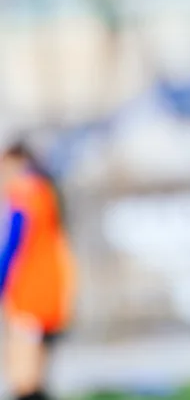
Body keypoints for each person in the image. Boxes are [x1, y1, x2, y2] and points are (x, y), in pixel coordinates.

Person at [0, 140, 76, 400]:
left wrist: (1, 282)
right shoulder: (46, 190)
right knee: (36, 372)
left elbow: (14, 243)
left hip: (30, 294)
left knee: (24, 376)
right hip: (50, 293)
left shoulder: (26, 191)